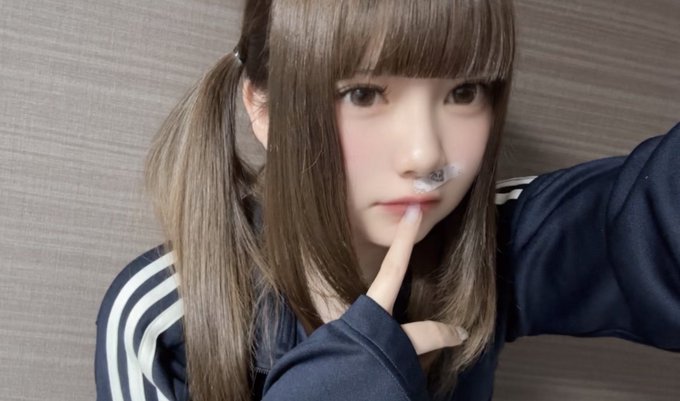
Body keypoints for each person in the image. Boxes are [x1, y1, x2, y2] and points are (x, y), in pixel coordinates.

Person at [94, 0, 680, 400]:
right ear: (263, 109)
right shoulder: (162, 320)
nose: (426, 156)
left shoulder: (491, 239)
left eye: (465, 92)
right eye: (364, 94)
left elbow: (649, 220)